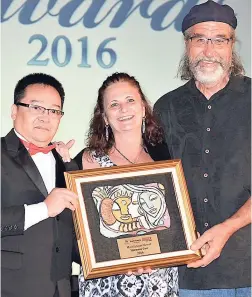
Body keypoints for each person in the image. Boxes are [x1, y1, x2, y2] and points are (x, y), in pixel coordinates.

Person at [154, 1, 251, 296]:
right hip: (191, 273)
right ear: (187, 45)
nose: (209, 51)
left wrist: (226, 228)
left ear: (231, 45)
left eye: (219, 40)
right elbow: (152, 183)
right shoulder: (165, 108)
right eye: (199, 39)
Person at [57, 72, 179, 297]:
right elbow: (67, 231)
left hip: (159, 282)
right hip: (106, 285)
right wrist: (117, 257)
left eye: (130, 100)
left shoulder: (165, 157)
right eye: (114, 104)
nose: (124, 109)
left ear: (143, 108)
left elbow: (175, 223)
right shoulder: (85, 161)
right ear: (104, 117)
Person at [1, 73, 80, 297]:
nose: (46, 117)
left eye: (54, 110)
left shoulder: (65, 163)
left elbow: (74, 234)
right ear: (14, 111)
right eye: (36, 108)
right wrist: (43, 209)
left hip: (61, 289)